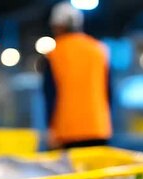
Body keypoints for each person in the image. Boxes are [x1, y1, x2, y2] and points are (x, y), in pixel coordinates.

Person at [42, 2, 112, 149]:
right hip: (98, 128)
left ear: (58, 26)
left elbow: (50, 95)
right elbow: (109, 91)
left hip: (67, 131)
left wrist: (50, 130)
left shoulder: (55, 54)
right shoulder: (99, 50)